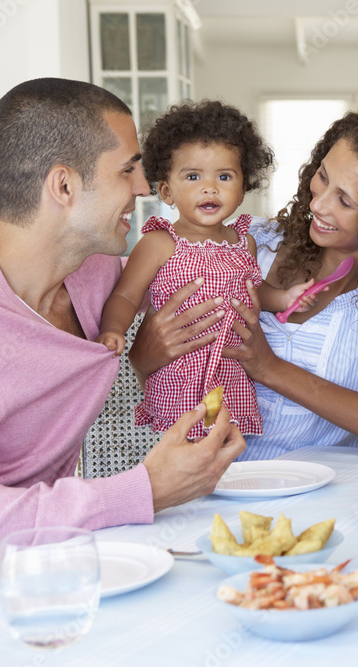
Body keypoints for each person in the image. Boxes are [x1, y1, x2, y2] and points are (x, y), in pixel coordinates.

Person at [0, 78, 245, 574]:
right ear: (64, 186)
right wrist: (143, 490)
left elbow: (216, 249)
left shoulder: (96, 276)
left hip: (69, 557)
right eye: (128, 169)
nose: (143, 187)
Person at [129, 105, 358, 457]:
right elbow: (162, 372)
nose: (319, 205)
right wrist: (143, 357)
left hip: (316, 500)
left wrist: (270, 368)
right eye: (323, 177)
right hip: (202, 483)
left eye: (345, 201)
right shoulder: (242, 243)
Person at [97, 100, 317, 439]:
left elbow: (252, 292)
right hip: (179, 372)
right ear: (167, 191)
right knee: (185, 451)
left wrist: (285, 297)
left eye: (225, 176)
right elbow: (126, 295)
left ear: (243, 189)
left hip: (229, 371)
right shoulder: (160, 243)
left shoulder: (244, 243)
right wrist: (114, 330)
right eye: (193, 176)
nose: (210, 187)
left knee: (225, 449)